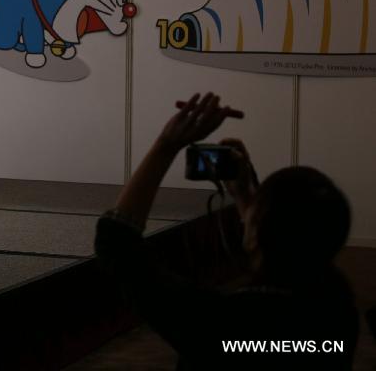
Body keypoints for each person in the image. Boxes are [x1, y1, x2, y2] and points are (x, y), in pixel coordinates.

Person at [95, 93, 358, 369]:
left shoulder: (220, 323)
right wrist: (246, 197)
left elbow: (116, 243)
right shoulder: (337, 309)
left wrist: (166, 145)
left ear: (256, 232)